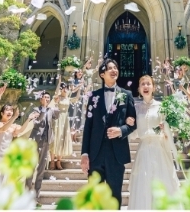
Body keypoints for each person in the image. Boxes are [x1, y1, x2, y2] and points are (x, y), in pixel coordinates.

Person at [81, 59, 137, 209]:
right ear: (102, 74)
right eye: (110, 68)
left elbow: (133, 123)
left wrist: (121, 130)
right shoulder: (94, 96)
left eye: (116, 68)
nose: (114, 70)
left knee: (114, 197)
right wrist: (84, 154)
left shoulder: (126, 95)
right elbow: (88, 126)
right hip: (95, 154)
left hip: (116, 155)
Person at [126, 75, 179, 210]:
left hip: (159, 149)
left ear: (153, 87)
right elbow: (134, 134)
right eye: (142, 84)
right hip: (143, 150)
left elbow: (169, 132)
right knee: (144, 184)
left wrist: (165, 129)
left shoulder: (162, 107)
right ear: (138, 89)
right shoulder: (136, 108)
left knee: (162, 182)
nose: (145, 86)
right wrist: (129, 124)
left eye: (148, 84)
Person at [0, 104, 39, 193]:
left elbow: (21, 130)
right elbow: (3, 129)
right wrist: (14, 117)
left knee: (4, 180)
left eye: (11, 111)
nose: (10, 112)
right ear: (1, 113)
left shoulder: (13, 126)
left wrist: (29, 119)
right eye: (7, 110)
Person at [25, 91, 60, 205]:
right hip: (35, 141)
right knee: (31, 168)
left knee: (41, 170)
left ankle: (36, 196)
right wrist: (43, 108)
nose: (47, 99)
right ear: (40, 99)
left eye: (48, 98)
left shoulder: (51, 110)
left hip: (46, 141)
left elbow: (57, 116)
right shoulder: (36, 109)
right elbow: (38, 120)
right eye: (45, 97)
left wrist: (56, 104)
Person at [50, 82, 80, 170]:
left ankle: (59, 161)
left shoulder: (68, 98)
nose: (65, 89)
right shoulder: (58, 98)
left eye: (66, 88)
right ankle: (52, 161)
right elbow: (55, 94)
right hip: (58, 119)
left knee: (63, 139)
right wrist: (59, 83)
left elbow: (77, 99)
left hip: (65, 120)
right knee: (55, 139)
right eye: (63, 88)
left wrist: (80, 89)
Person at [68, 70, 84, 142]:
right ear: (76, 73)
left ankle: (75, 136)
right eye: (78, 72)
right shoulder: (73, 81)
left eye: (81, 72)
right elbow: (73, 90)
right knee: (73, 117)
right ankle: (70, 137)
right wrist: (79, 85)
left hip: (81, 101)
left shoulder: (83, 82)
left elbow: (85, 92)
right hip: (74, 101)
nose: (80, 73)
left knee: (78, 117)